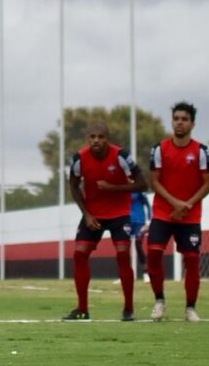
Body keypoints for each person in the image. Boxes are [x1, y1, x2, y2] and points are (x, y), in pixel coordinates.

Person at [62, 121, 147, 321]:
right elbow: (73, 186)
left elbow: (143, 184)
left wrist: (113, 188)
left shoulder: (121, 156)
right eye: (92, 137)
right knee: (79, 254)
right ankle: (82, 309)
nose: (96, 141)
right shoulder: (79, 159)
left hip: (119, 214)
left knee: (122, 255)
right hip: (93, 214)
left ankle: (128, 309)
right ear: (87, 139)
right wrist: (86, 214)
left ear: (107, 139)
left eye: (101, 137)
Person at [147, 102, 209, 323]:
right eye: (176, 118)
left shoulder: (201, 151)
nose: (180, 122)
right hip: (162, 213)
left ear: (192, 124)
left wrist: (187, 205)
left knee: (192, 259)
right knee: (154, 254)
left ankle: (190, 308)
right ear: (172, 121)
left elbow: (207, 184)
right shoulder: (159, 149)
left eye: (184, 119)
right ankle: (159, 301)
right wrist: (175, 203)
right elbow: (154, 182)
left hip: (189, 215)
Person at [129, 190, 151, 271]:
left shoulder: (139, 190)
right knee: (123, 246)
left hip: (140, 222)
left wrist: (149, 220)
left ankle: (146, 272)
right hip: (127, 222)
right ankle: (124, 273)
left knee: (138, 244)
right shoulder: (122, 189)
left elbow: (147, 204)